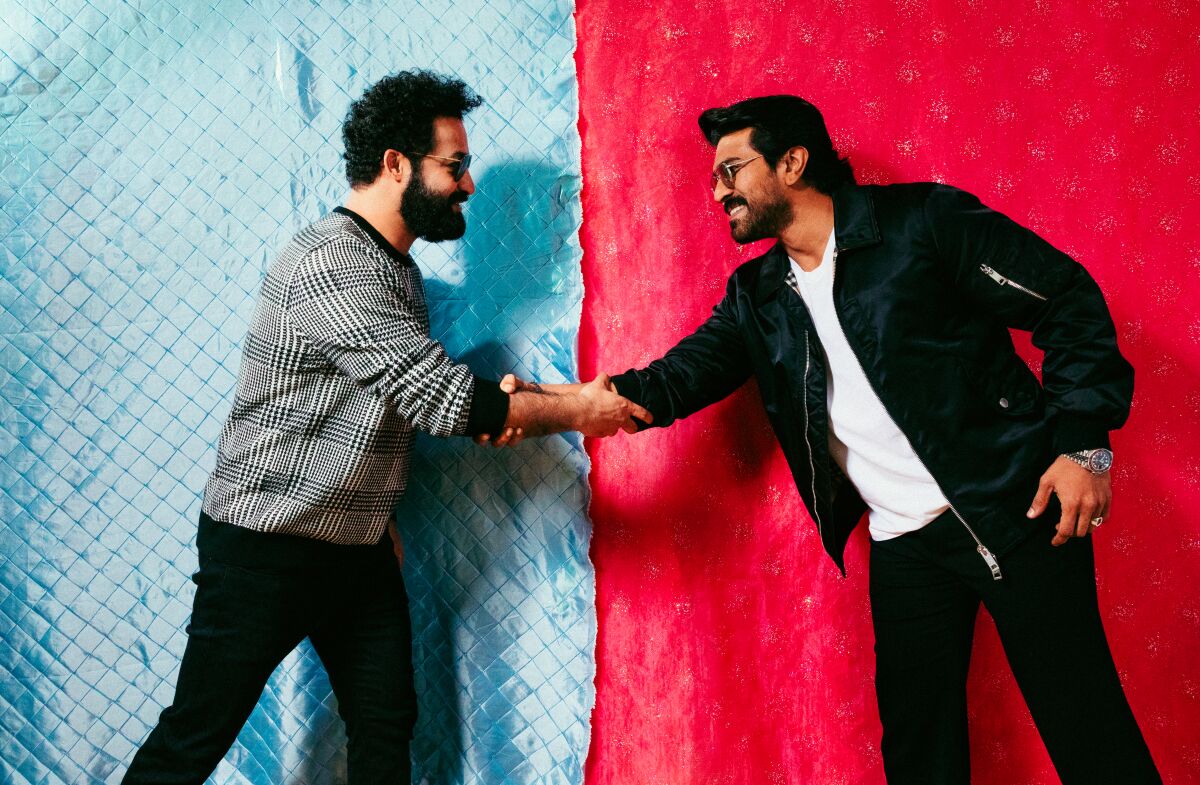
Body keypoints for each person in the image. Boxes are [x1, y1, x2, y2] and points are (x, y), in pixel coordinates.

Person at [501, 95, 1160, 784]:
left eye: (733, 169)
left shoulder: (921, 225)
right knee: (918, 756)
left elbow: (1065, 298)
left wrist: (1083, 443)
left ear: (792, 161)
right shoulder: (759, 297)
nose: (718, 189)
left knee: (1088, 733)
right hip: (906, 546)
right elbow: (672, 383)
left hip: (1017, 509)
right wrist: (551, 407)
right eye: (714, 175)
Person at [121, 69, 649, 785]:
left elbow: (389, 399)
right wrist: (580, 409)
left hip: (354, 547)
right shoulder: (334, 264)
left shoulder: (393, 268)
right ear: (396, 164)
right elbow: (440, 400)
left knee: (385, 722)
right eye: (454, 166)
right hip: (265, 547)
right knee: (194, 736)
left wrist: (376, 511)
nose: (466, 184)